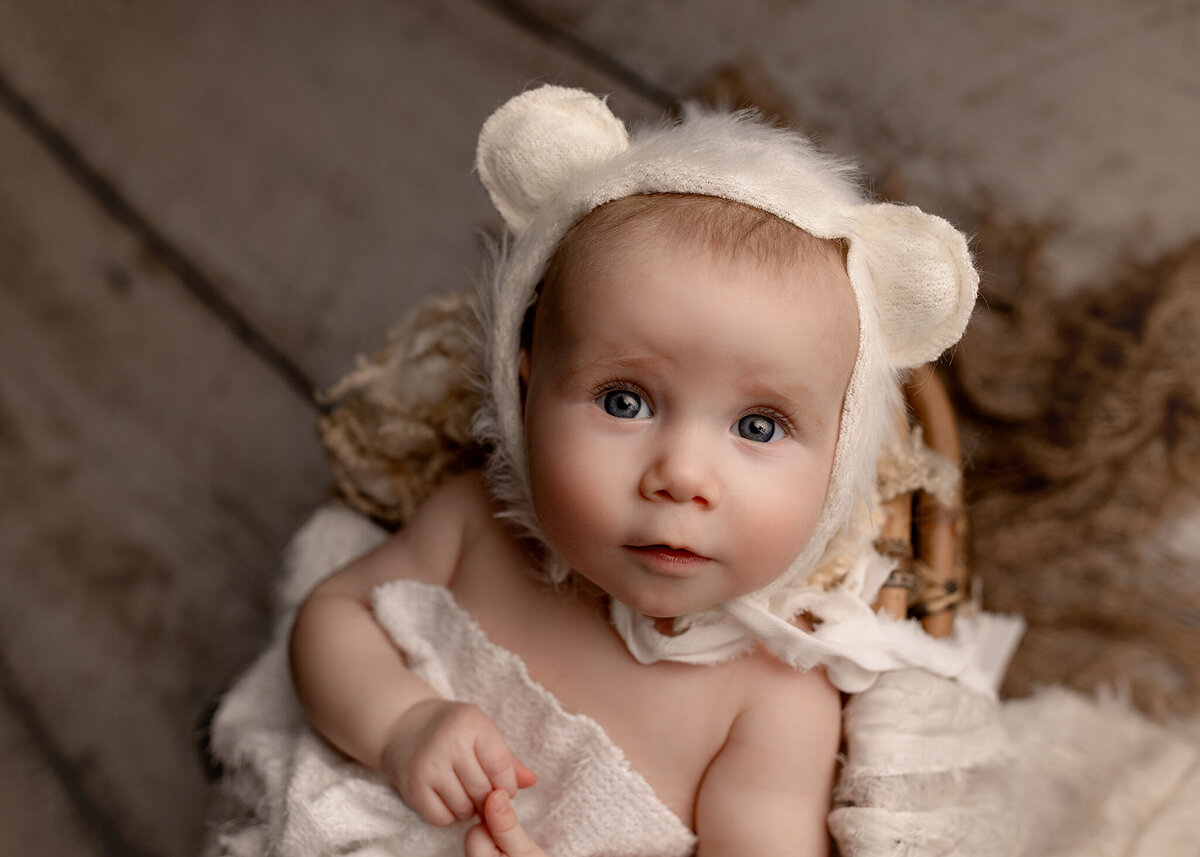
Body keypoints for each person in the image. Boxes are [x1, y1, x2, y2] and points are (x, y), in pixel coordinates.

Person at [288, 85, 1007, 857]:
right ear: (524, 391)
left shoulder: (772, 697)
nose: (681, 475)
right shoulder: (474, 524)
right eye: (625, 401)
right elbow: (331, 616)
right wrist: (400, 722)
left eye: (758, 426)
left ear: (836, 470)